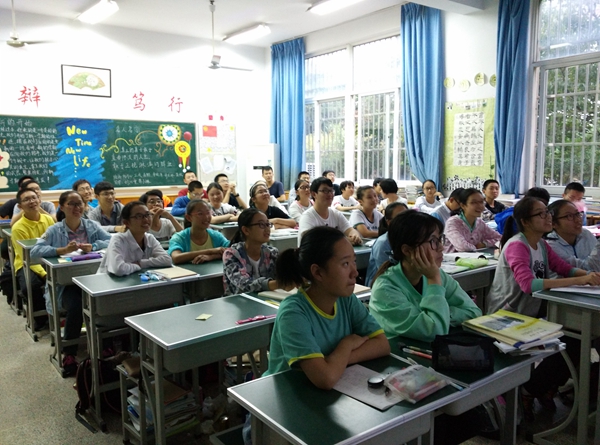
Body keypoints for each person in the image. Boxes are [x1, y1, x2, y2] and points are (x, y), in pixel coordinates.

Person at [486, 197, 600, 420]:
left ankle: (539, 388)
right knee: (569, 343)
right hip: (506, 317)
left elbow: (565, 268)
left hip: (529, 315)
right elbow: (529, 285)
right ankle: (530, 391)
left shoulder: (542, 245)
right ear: (526, 222)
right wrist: (581, 280)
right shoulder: (517, 245)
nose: (548, 217)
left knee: (575, 341)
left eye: (547, 213)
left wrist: (589, 277)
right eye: (541, 214)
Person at [265, 226, 390, 387]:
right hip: (288, 398)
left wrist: (335, 361)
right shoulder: (293, 312)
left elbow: (382, 345)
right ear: (317, 272)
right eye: (345, 264)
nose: (355, 273)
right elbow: (325, 378)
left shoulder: (346, 300)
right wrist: (347, 345)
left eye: (354, 262)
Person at [31, 191, 111, 374]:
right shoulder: (54, 230)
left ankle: (105, 346)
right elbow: (35, 251)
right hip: (66, 285)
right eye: (72, 204)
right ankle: (69, 353)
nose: (77, 208)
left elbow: (112, 240)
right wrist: (61, 250)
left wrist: (95, 246)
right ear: (62, 207)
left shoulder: (91, 226)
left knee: (103, 299)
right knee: (76, 305)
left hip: (92, 280)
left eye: (80, 204)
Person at [369, 211, 481, 341]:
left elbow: (474, 312)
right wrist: (433, 281)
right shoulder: (385, 289)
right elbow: (434, 331)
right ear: (407, 250)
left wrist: (442, 315)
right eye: (433, 241)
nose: (441, 247)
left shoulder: (439, 276)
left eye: (440, 239)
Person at [11, 188, 55, 330]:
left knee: (64, 280)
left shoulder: (48, 220)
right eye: (26, 200)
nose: (32, 202)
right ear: (20, 206)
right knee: (31, 285)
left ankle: (60, 314)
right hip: (26, 265)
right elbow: (26, 257)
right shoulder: (18, 228)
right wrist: (44, 273)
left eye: (34, 198)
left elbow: (56, 243)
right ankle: (40, 318)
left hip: (49, 261)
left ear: (39, 200)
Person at [97, 201, 172, 276]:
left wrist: (141, 263)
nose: (146, 220)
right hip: (108, 284)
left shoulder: (149, 238)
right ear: (126, 222)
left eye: (147, 215)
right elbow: (119, 269)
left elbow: (167, 260)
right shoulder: (118, 240)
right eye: (139, 216)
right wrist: (137, 266)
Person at [223, 208, 286, 295]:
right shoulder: (232, 254)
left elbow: (282, 275)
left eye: (268, 224)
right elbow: (244, 284)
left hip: (267, 300)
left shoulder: (272, 253)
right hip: (238, 303)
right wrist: (279, 284)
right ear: (246, 230)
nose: (267, 229)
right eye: (261, 225)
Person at [298, 177, 362, 245]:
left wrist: (355, 236)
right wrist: (343, 241)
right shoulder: (307, 217)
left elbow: (350, 230)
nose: (330, 194)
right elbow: (311, 241)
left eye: (331, 191)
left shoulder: (336, 214)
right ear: (314, 194)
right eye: (325, 191)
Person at [168, 200, 229, 264]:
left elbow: (232, 250)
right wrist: (211, 251)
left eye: (208, 213)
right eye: (200, 214)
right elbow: (176, 258)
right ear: (188, 217)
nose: (206, 217)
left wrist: (212, 256)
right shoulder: (179, 237)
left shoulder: (216, 236)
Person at [546, 199, 600, 271]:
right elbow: (585, 269)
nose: (578, 220)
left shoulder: (585, 234)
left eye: (577, 214)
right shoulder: (551, 246)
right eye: (569, 216)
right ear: (553, 223)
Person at [444, 188, 501, 253]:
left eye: (481, 202)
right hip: (452, 261)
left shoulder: (479, 223)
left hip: (474, 259)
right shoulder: (453, 222)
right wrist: (476, 247)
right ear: (463, 205)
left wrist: (484, 244)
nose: (480, 206)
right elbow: (463, 247)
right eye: (474, 203)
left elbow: (500, 239)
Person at [365, 202, 408, 287]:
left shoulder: (408, 239)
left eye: (408, 217)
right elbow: (387, 274)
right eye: (400, 218)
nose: (406, 221)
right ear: (389, 222)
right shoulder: (383, 243)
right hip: (382, 285)